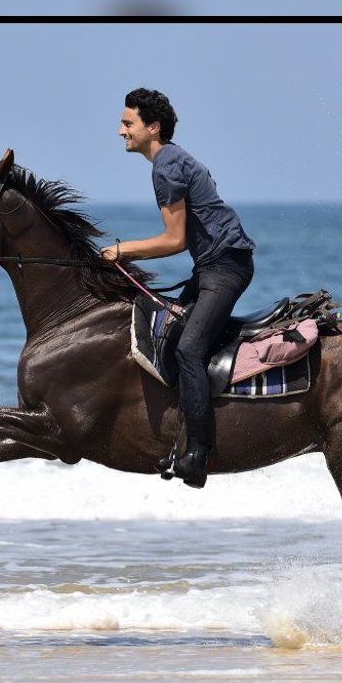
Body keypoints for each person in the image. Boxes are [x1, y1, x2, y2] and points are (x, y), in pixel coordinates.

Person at [101, 88, 257, 489]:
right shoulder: (173, 159)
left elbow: (174, 240)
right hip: (210, 269)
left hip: (225, 268)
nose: (120, 131)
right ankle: (175, 432)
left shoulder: (166, 166)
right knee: (170, 338)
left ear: (153, 128)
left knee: (189, 348)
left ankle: (199, 455)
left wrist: (123, 250)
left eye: (127, 123)